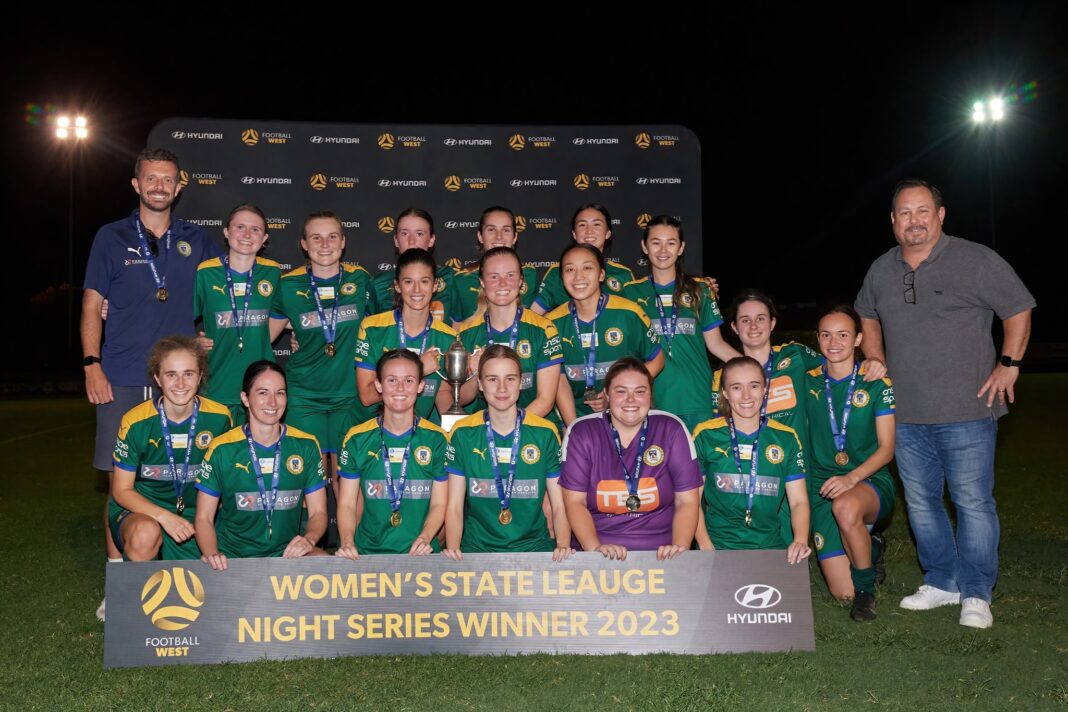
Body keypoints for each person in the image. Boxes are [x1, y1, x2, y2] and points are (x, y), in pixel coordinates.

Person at [855, 178, 1035, 629]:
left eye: (922, 211)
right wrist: (874, 357)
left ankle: (976, 592)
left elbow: (1017, 308)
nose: (913, 221)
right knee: (921, 503)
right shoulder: (881, 269)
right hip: (906, 415)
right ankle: (941, 581)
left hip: (969, 409)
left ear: (940, 215)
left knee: (972, 502)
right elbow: (867, 313)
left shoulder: (975, 259)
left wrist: (1009, 363)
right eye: (903, 213)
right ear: (892, 222)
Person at [82, 147, 220, 620]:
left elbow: (218, 294)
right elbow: (90, 304)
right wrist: (90, 363)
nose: (160, 186)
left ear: (179, 187)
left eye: (168, 179)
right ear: (136, 185)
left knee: (191, 470)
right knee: (118, 482)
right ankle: (119, 581)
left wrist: (208, 336)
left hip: (180, 380)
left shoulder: (197, 239)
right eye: (151, 178)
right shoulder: (110, 236)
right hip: (120, 375)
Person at [269, 211, 372, 491]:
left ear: (343, 243)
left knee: (347, 476)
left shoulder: (361, 280)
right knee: (304, 473)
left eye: (332, 237)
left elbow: (380, 329)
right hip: (304, 395)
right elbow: (263, 336)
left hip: (350, 393)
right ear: (304, 244)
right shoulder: (288, 285)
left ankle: (349, 537)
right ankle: (303, 535)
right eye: (316, 237)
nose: (324, 244)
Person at [804, 307, 896, 621]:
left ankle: (866, 592)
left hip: (868, 480)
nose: (834, 342)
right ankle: (871, 548)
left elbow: (887, 450)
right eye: (826, 335)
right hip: (821, 485)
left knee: (845, 507)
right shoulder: (808, 380)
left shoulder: (876, 382)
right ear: (817, 339)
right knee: (840, 592)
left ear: (857, 338)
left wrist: (852, 478)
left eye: (843, 334)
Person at [559, 358, 701, 560]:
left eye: (640, 391)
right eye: (621, 391)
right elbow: (574, 502)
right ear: (607, 394)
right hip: (598, 551)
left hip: (660, 554)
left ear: (651, 394)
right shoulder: (582, 431)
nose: (631, 399)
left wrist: (678, 551)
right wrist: (595, 551)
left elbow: (687, 501)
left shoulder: (671, 428)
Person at [194, 361, 328, 569]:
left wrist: (308, 539)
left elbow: (318, 512)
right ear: (245, 398)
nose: (273, 402)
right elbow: (203, 518)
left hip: (287, 554)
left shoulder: (307, 445)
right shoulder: (221, 449)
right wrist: (212, 554)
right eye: (263, 393)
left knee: (323, 562)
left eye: (280, 393)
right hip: (232, 557)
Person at [110, 336, 232, 562]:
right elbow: (121, 490)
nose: (180, 384)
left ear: (200, 376)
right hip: (143, 510)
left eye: (188, 374)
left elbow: (224, 481)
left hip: (199, 513)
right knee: (144, 534)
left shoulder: (219, 417)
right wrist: (163, 516)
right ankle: (128, 595)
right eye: (171, 375)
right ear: (157, 378)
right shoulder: (136, 421)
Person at [443, 345, 572, 559]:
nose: (502, 388)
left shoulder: (545, 432)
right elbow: (454, 505)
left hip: (535, 549)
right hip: (477, 550)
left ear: (521, 382)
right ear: (481, 384)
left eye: (510, 379)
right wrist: (453, 549)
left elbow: (559, 504)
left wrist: (563, 545)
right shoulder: (462, 432)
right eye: (492, 379)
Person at [623, 215, 740, 430]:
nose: (663, 250)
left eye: (671, 243)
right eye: (656, 242)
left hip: (696, 398)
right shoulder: (630, 293)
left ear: (681, 248)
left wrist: (753, 369)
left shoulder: (701, 289)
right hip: (650, 401)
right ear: (644, 246)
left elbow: (716, 344)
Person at [692, 356, 811, 564]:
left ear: (765, 390)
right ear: (725, 393)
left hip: (770, 545)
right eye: (736, 387)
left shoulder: (786, 437)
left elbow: (799, 502)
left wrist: (800, 540)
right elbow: (691, 500)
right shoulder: (705, 435)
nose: (746, 395)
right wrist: (704, 545)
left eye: (754, 386)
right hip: (717, 545)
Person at [335, 350, 449, 557]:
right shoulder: (356, 438)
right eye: (391, 380)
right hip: (368, 553)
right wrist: (347, 541)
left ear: (421, 386)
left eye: (408, 380)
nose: (400, 388)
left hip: (422, 553)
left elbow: (440, 503)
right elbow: (347, 504)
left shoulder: (438, 439)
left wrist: (425, 537)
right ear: (378, 385)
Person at [546, 244, 664, 426]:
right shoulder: (551, 324)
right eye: (570, 269)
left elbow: (657, 360)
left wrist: (617, 393)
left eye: (587, 267)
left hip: (626, 416)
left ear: (602, 274)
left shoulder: (629, 312)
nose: (578, 276)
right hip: (576, 418)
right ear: (562, 277)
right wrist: (574, 428)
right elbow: (559, 379)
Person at [193, 203, 281, 423]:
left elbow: (294, 313)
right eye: (240, 227)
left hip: (260, 386)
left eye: (255, 229)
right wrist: (191, 341)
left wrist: (301, 335)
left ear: (264, 238)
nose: (247, 235)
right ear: (226, 232)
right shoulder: (206, 272)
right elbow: (177, 315)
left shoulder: (273, 272)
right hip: (217, 382)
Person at [455, 247, 562, 417]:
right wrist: (477, 374)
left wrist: (509, 428)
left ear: (520, 281)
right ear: (482, 282)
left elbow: (545, 400)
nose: (502, 284)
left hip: (534, 429)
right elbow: (459, 399)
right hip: (484, 433)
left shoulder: (544, 330)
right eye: (494, 277)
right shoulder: (466, 333)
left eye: (510, 275)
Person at [355, 249, 458, 422]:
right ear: (397, 285)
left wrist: (455, 426)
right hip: (370, 433)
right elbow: (366, 396)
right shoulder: (373, 327)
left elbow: (442, 392)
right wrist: (420, 369)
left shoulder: (449, 337)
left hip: (420, 438)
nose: (417, 289)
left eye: (424, 281)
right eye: (408, 281)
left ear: (434, 285)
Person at [531, 204, 636, 314]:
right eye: (582, 225)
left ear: (608, 233)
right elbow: (533, 317)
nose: (589, 231)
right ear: (574, 234)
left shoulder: (623, 274)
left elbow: (634, 319)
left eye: (596, 224)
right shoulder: (557, 272)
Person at [450, 206, 539, 323]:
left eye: (506, 230)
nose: (499, 236)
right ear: (480, 236)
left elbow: (537, 321)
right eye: (491, 230)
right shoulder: (462, 280)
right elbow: (457, 326)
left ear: (515, 237)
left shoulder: (530, 274)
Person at [369, 208, 456, 320]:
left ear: (431, 240)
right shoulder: (377, 284)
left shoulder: (450, 278)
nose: (411, 241)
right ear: (396, 240)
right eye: (404, 233)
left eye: (419, 234)